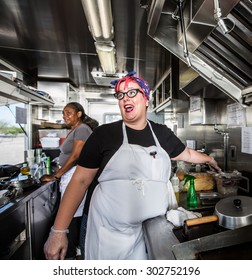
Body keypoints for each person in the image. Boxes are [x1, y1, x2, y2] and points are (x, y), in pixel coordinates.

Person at [43, 72, 221, 260]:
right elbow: (79, 181)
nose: (125, 98)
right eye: (120, 95)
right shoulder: (104, 135)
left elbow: (187, 153)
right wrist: (58, 231)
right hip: (107, 234)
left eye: (131, 93)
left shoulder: (161, 133)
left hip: (149, 231)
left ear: (146, 99)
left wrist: (209, 159)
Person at [40, 102, 94, 259]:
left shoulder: (83, 129)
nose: (65, 116)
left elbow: (76, 156)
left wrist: (56, 175)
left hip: (74, 176)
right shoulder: (75, 129)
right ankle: (72, 254)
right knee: (70, 217)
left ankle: (71, 256)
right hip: (68, 174)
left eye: (69, 113)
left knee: (71, 217)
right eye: (64, 113)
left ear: (79, 114)